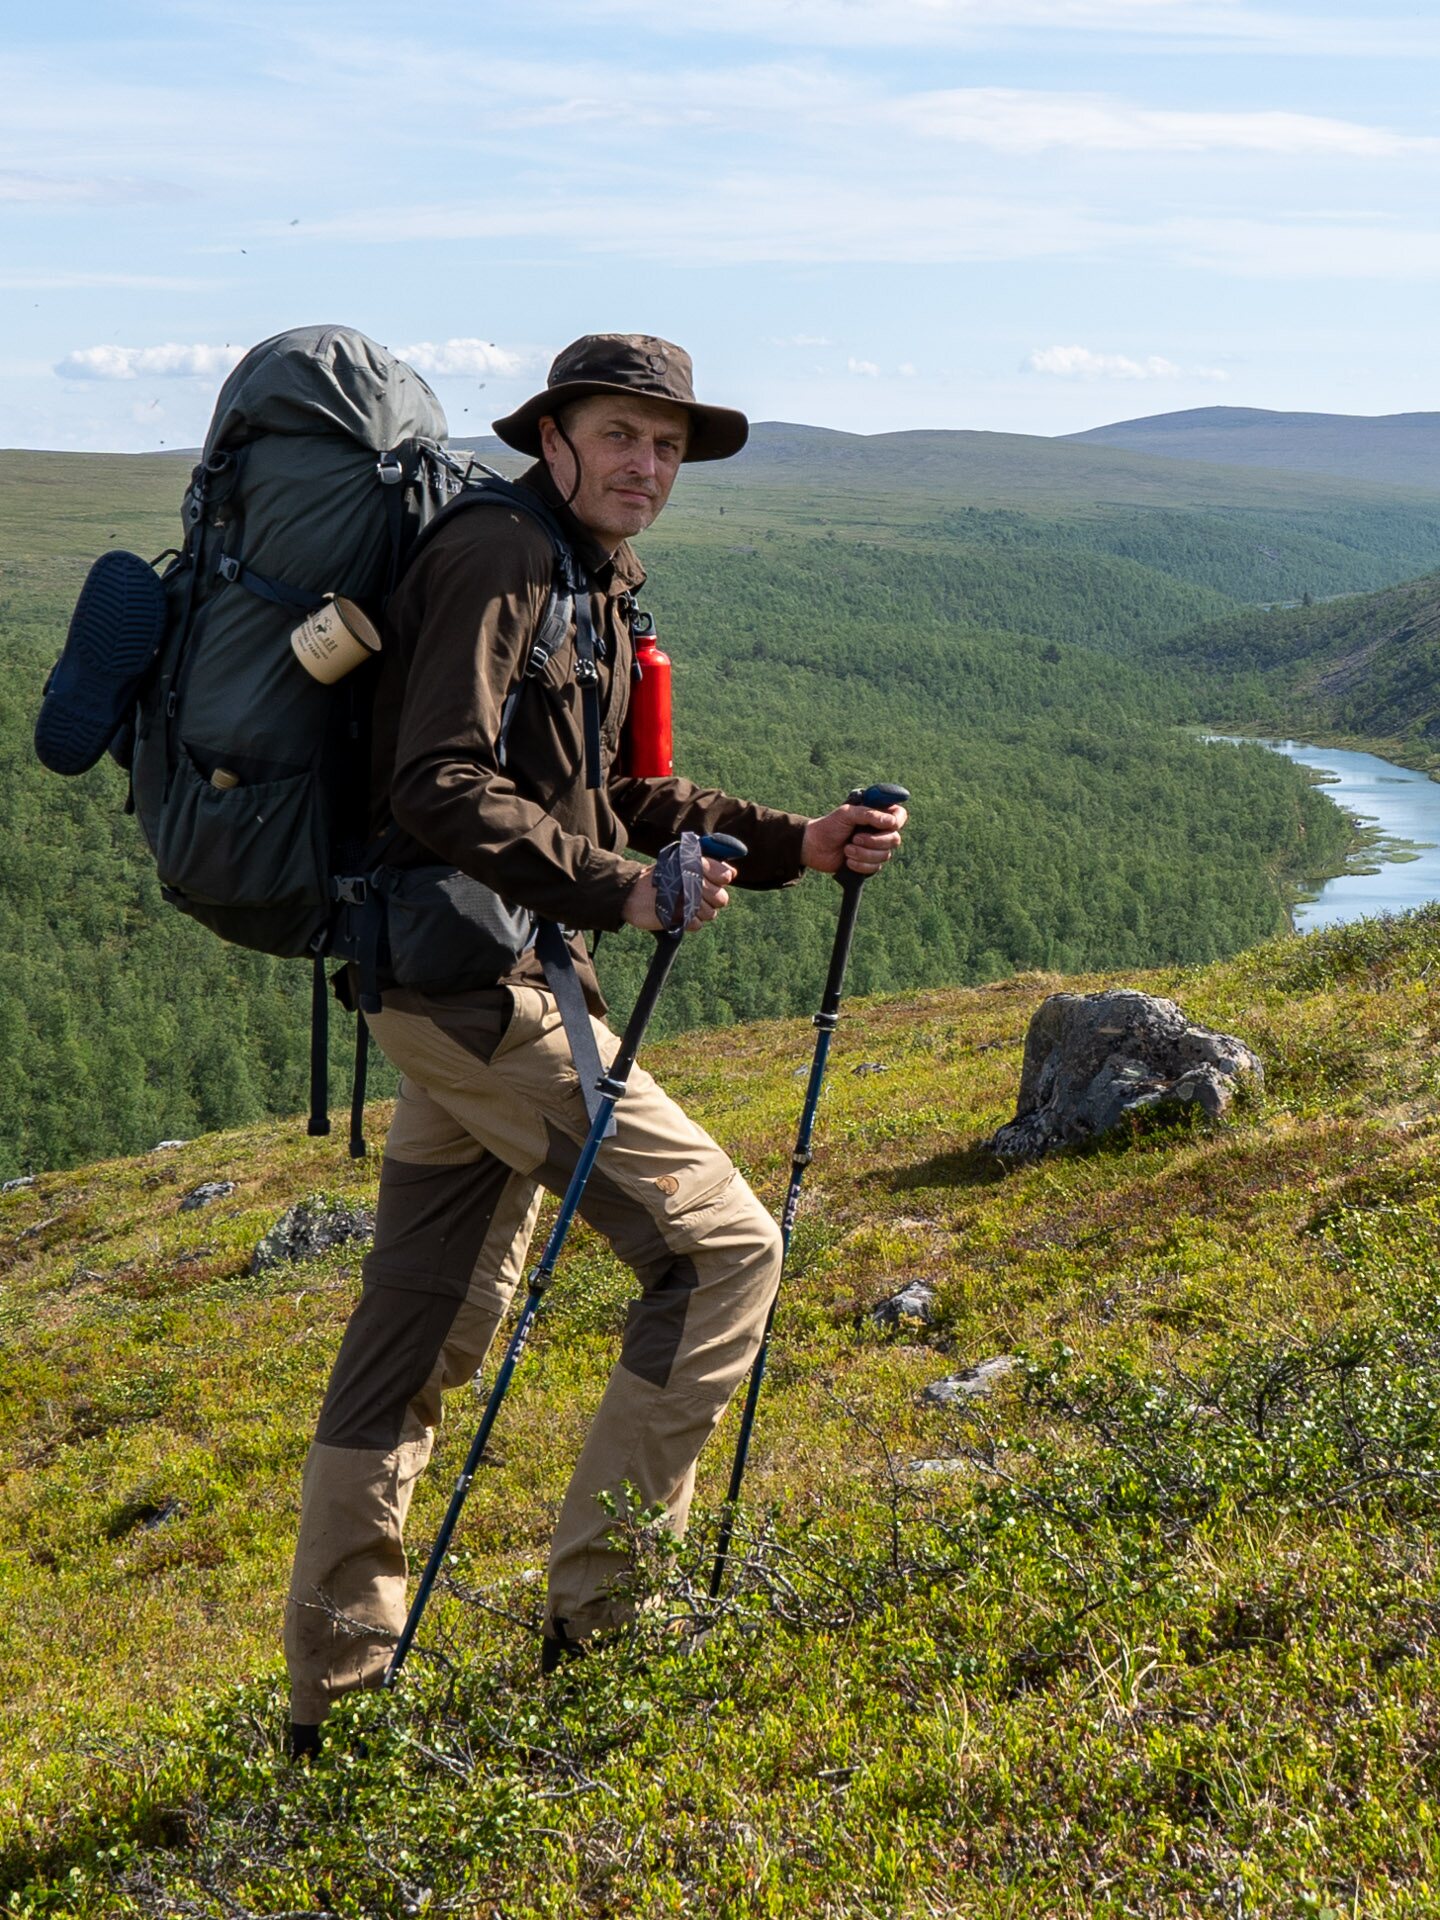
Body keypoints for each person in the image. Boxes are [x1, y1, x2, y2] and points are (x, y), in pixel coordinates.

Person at [284, 334, 905, 1750]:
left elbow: (623, 791)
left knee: (417, 1332)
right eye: (621, 436)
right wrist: (619, 890)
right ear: (553, 436)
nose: (647, 466)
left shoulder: (591, 579)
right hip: (476, 990)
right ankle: (608, 1635)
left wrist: (793, 842)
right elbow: (437, 782)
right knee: (721, 1250)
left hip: (469, 981)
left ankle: (336, 1708)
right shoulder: (501, 556)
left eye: (668, 446)